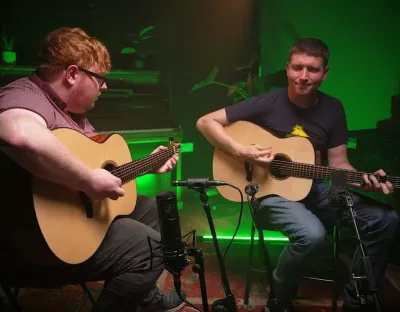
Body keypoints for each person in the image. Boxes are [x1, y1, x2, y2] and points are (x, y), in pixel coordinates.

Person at [196, 37, 399, 312]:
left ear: (325, 73)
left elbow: (339, 166)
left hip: (316, 190)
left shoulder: (333, 109)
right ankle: (278, 300)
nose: (303, 77)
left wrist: (365, 181)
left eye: (312, 69)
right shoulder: (267, 103)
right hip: (267, 193)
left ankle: (357, 301)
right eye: (297, 68)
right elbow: (205, 122)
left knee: (384, 219)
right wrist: (241, 151)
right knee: (311, 235)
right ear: (288, 68)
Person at [0, 27, 185, 312]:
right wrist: (87, 180)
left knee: (153, 211)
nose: (105, 87)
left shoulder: (74, 115)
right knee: (151, 247)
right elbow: (17, 134)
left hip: (71, 222)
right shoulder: (25, 94)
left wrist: (146, 165)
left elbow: (98, 174)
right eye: (100, 79)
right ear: (73, 74)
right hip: (32, 246)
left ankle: (142, 296)